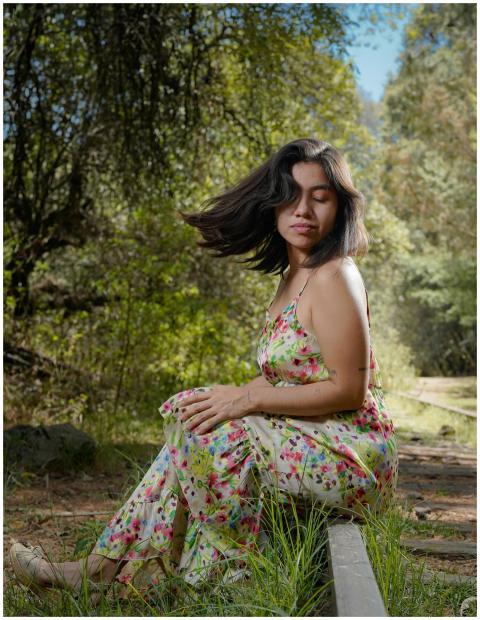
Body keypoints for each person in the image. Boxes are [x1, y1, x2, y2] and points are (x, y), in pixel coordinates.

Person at [9, 138, 398, 598]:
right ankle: (117, 573)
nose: (304, 210)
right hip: (311, 437)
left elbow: (350, 391)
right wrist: (230, 395)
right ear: (273, 205)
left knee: (209, 434)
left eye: (320, 197)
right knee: (195, 415)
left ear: (339, 207)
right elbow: (292, 377)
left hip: (352, 455)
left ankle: (139, 576)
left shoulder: (336, 274)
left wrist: (247, 399)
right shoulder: (296, 275)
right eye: (291, 196)